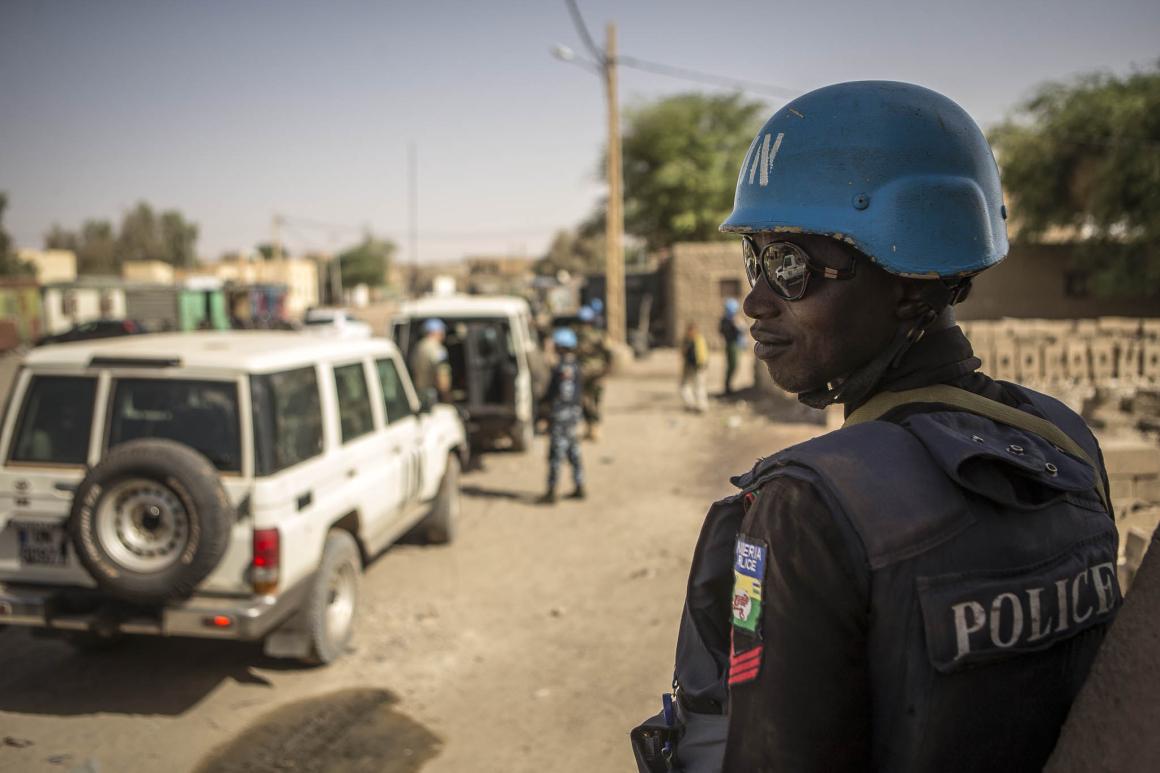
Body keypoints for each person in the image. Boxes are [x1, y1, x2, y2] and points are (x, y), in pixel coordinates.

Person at [631, 81, 1119, 773]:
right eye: (756, 260)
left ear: (910, 282)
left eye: (791, 266)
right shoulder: (1065, 439)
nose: (754, 301)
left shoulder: (809, 505)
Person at [538, 327, 585, 504]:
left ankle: (551, 491)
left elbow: (552, 393)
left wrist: (543, 408)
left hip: (560, 415)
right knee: (574, 450)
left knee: (556, 453)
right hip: (573, 414)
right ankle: (580, 485)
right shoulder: (577, 366)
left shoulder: (559, 369)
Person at [576, 305, 612, 441]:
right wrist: (607, 368)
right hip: (594, 372)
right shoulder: (599, 335)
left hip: (589, 373)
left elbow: (608, 353)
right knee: (593, 401)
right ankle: (592, 428)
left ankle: (593, 428)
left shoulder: (581, 335)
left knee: (588, 401)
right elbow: (609, 353)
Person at [409, 318, 451, 405]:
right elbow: (442, 375)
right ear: (436, 332)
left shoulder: (418, 347)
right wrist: (447, 399)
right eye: (442, 331)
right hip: (432, 395)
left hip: (418, 394)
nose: (443, 335)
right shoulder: (437, 349)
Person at [680, 321, 709, 412]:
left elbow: (703, 355)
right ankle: (691, 404)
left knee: (699, 386)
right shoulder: (689, 340)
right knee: (686, 386)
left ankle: (700, 406)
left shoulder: (698, 340)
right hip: (690, 367)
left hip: (698, 367)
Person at [718, 299, 745, 396]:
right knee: (732, 365)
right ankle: (727, 386)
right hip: (731, 345)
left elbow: (743, 330)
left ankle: (728, 385)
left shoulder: (736, 319)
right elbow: (722, 331)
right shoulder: (725, 320)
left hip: (736, 345)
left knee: (734, 366)